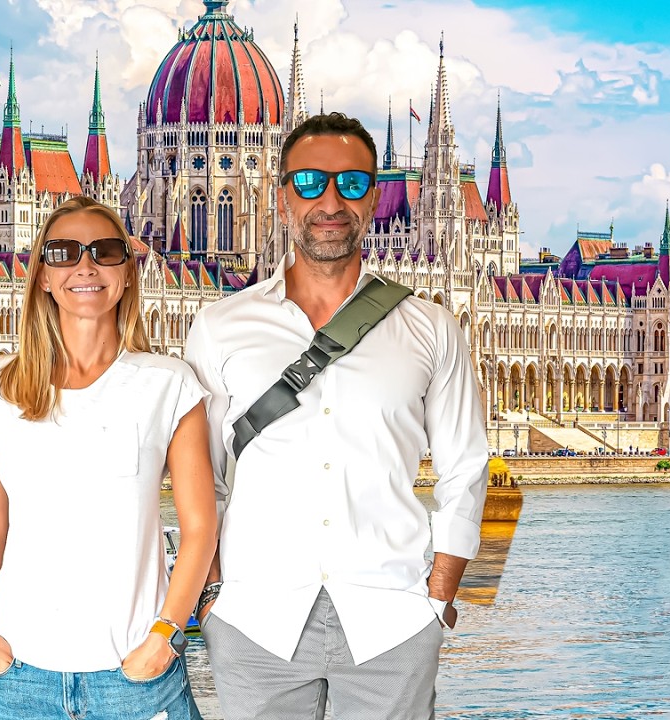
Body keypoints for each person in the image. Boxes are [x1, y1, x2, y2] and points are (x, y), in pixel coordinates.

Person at [184, 112, 490, 720]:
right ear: (279, 198)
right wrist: (213, 594)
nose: (330, 200)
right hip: (255, 620)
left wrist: (441, 594)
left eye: (351, 184)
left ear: (374, 198)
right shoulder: (220, 327)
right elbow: (204, 477)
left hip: (393, 620)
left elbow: (468, 465)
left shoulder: (429, 327)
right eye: (309, 183)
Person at [0, 195, 216, 720]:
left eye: (104, 251)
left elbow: (201, 528)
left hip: (134, 677)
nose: (85, 265)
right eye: (64, 253)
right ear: (43, 277)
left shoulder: (169, 384)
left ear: (126, 274)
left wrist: (164, 637)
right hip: (18, 677)